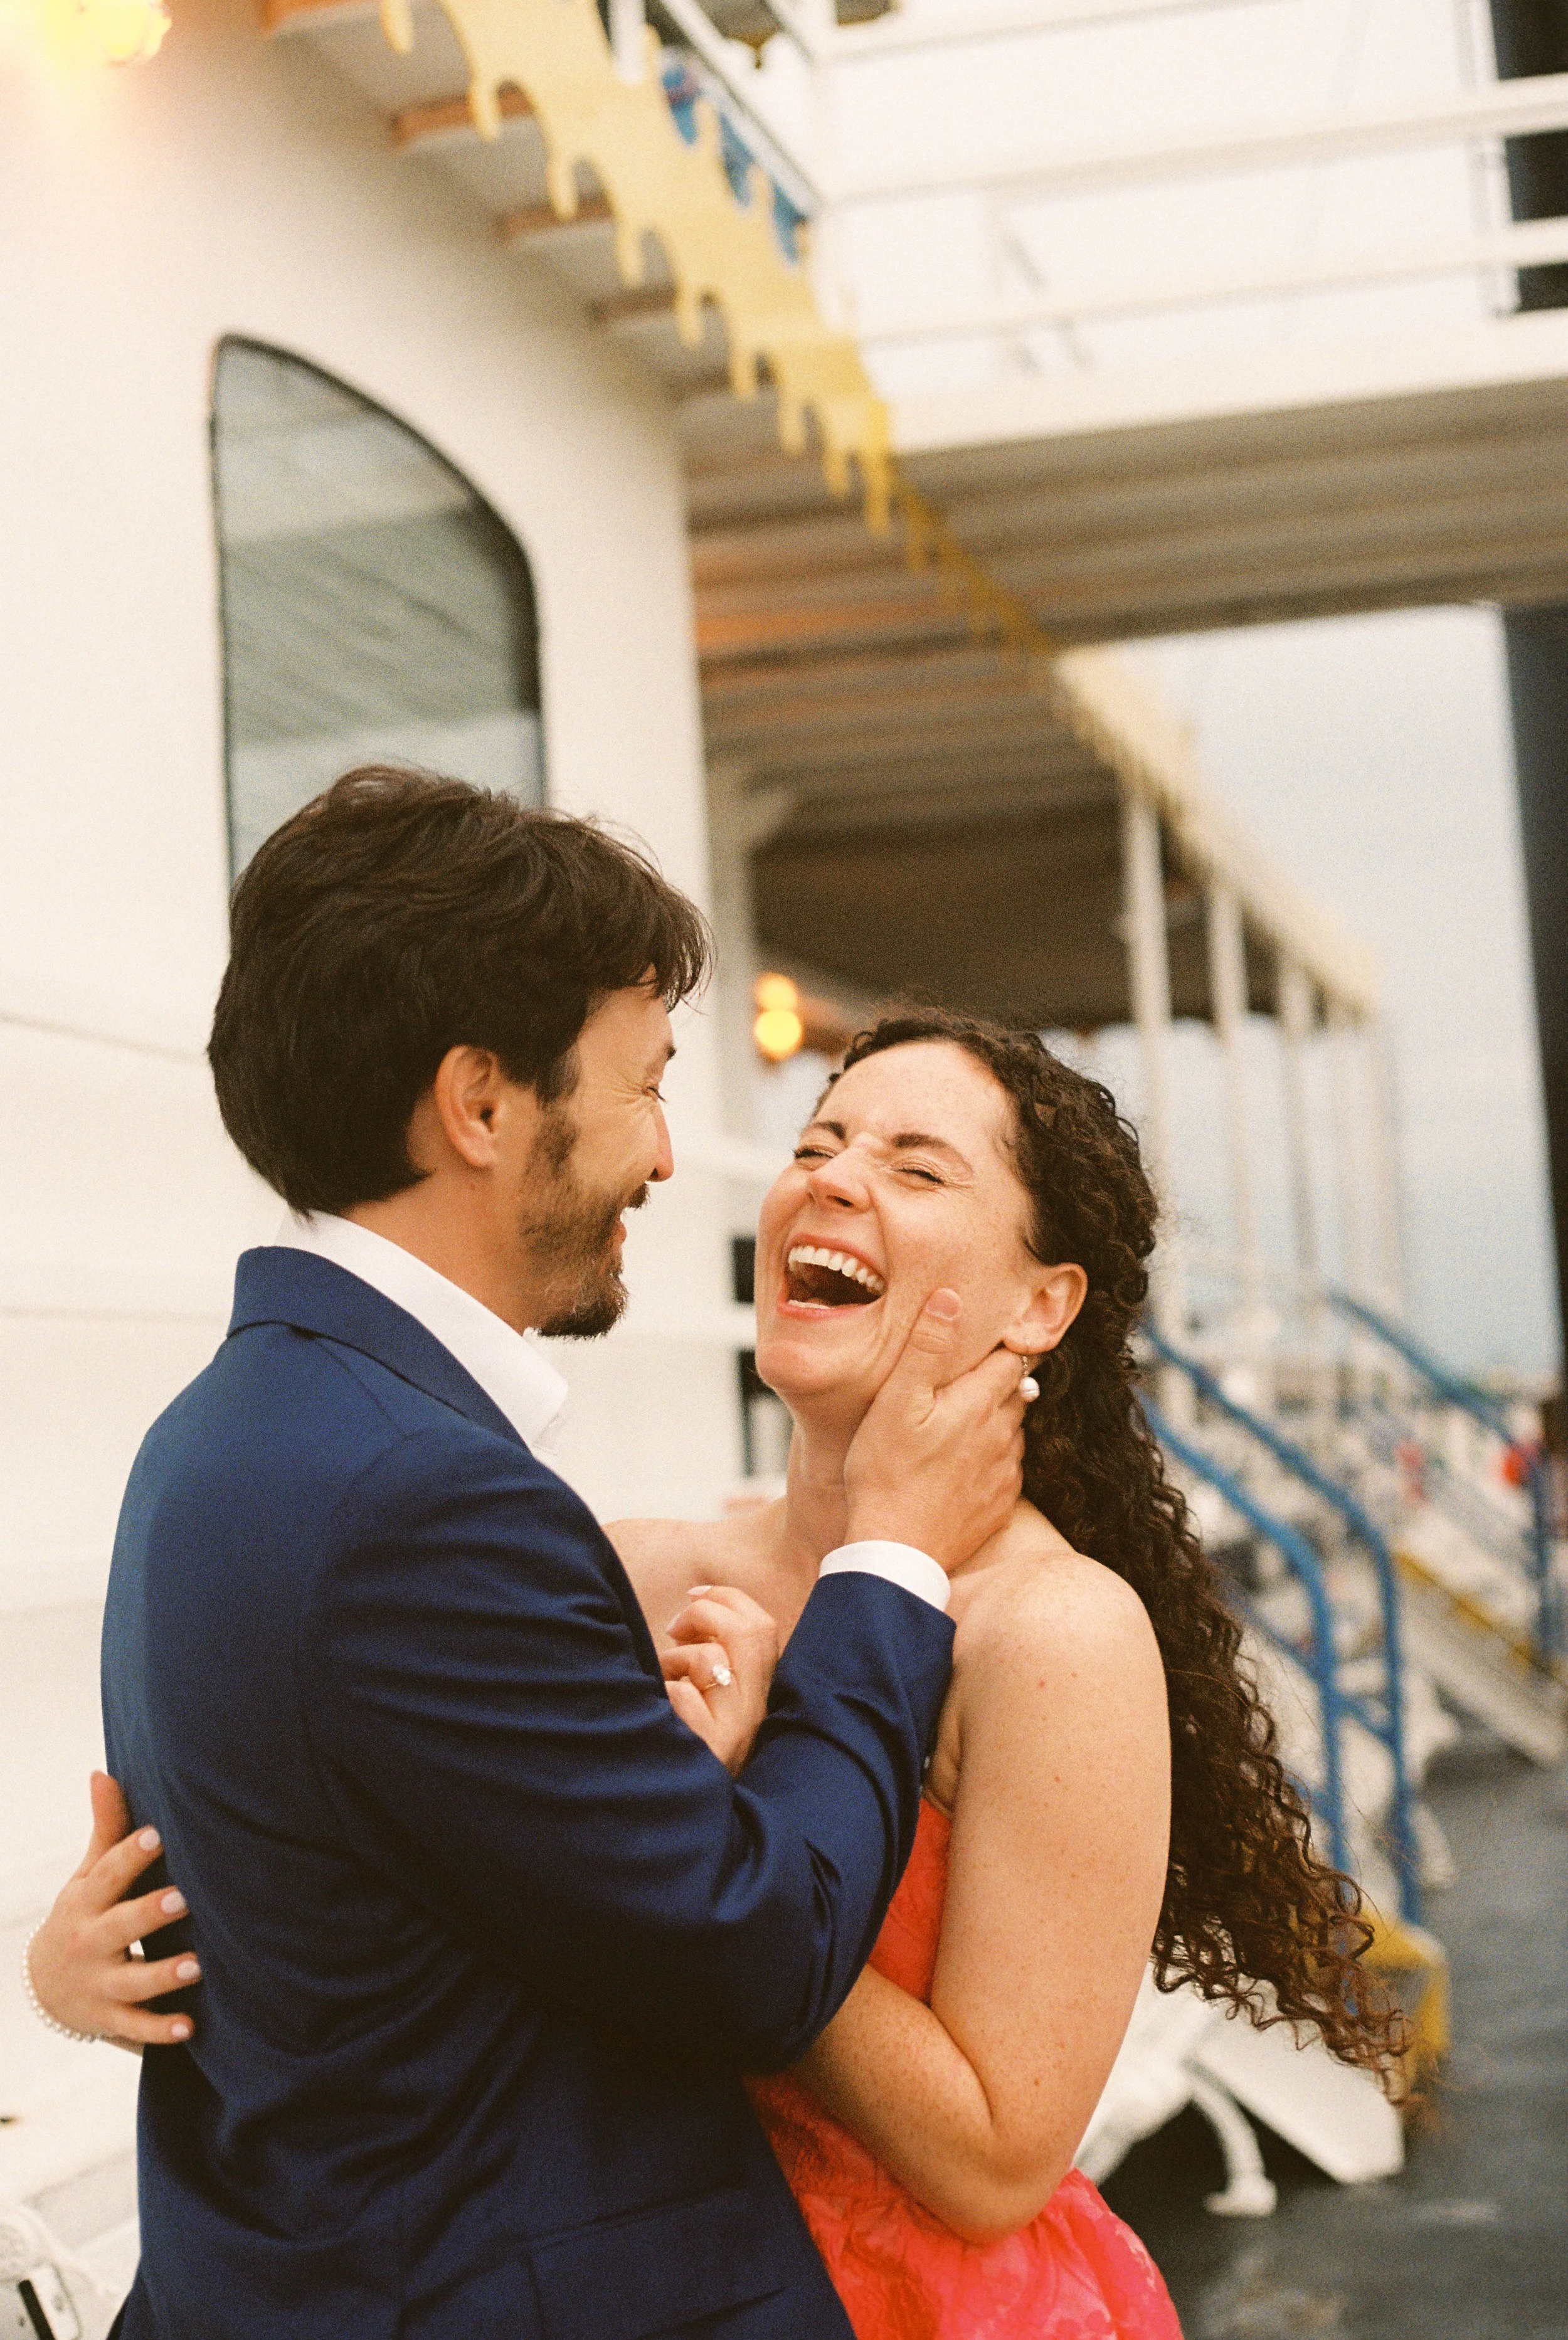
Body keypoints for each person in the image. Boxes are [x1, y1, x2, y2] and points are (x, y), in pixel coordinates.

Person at [37, 994, 1406, 2337]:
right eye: (815, 1147)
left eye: (912, 1166)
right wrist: (85, 1963)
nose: (829, 1184)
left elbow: (994, 2159)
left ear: (1042, 1301)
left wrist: (726, 1831)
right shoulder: (636, 1568)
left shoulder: (1055, 1633)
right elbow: (422, 1888)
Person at [23, 767, 1035, 2340]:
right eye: (641, 1085)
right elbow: (756, 1954)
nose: (661, 1157)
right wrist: (892, 1557)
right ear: (483, 1105)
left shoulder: (216, 1437)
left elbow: (389, 1910)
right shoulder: (417, 1501)